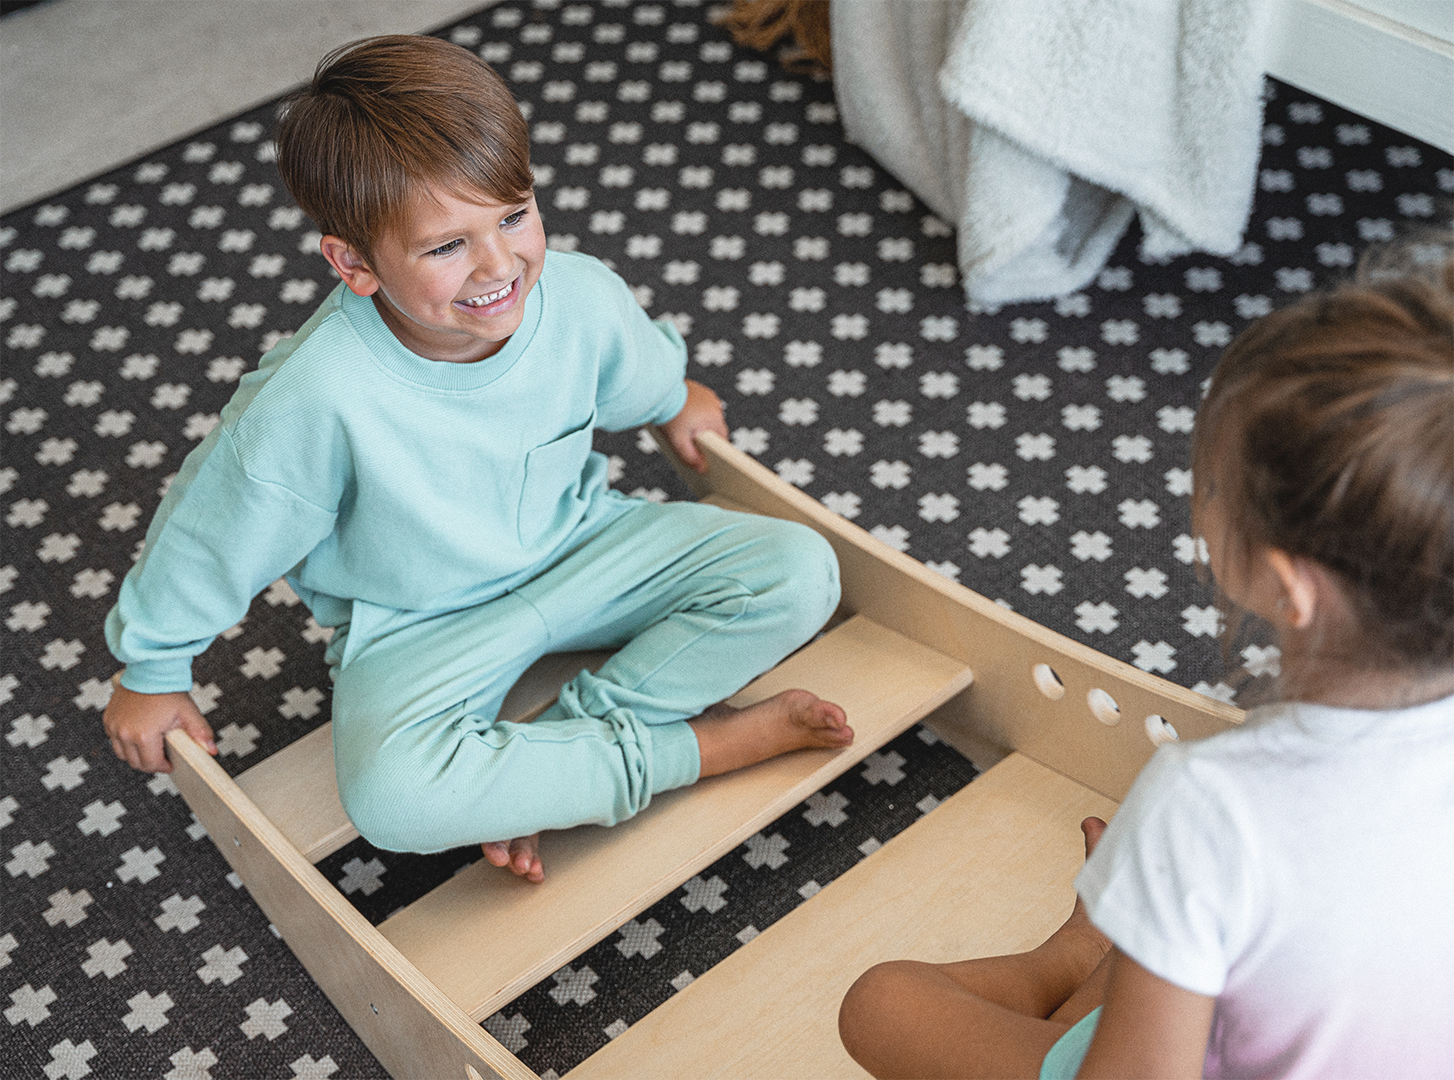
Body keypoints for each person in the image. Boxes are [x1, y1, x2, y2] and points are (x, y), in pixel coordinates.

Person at [102, 35, 852, 884]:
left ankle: (556, 758)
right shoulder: (312, 399)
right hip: (419, 621)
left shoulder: (577, 295)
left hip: (584, 547)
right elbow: (214, 529)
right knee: (393, 799)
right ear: (353, 262)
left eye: (513, 214)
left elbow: (629, 364)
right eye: (445, 246)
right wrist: (153, 667)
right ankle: (689, 751)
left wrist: (673, 398)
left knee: (800, 570)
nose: (501, 265)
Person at [837, 250, 1454, 1078]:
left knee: (882, 1003)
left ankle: (1071, 957)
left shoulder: (1211, 805)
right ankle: (1122, 945)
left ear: (1282, 582)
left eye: (1212, 489)